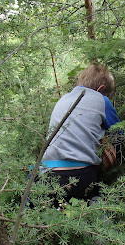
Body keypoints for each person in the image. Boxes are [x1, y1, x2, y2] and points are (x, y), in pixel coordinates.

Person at [41, 63, 120, 205]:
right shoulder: (101, 99)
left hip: (47, 174)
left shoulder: (63, 99)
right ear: (101, 89)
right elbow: (120, 132)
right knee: (94, 200)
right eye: (107, 95)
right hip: (80, 174)